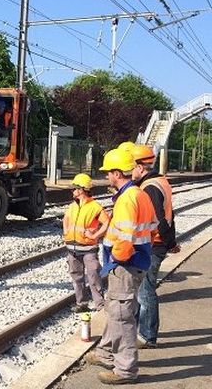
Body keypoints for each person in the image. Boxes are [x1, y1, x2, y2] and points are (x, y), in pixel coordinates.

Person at [84, 148, 157, 385]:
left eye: (108, 173)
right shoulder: (139, 194)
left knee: (122, 316)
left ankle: (125, 370)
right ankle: (106, 353)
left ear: (117, 173)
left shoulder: (127, 199)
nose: (106, 177)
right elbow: (153, 226)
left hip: (125, 265)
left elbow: (124, 242)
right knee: (115, 310)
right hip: (138, 261)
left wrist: (113, 261)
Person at [131, 144, 180, 349]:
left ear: (140, 167)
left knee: (145, 290)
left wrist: (169, 243)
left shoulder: (149, 187)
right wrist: (172, 241)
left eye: (131, 167)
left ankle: (147, 336)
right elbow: (170, 213)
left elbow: (160, 219)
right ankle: (143, 331)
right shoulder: (160, 181)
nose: (129, 171)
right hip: (159, 242)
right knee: (145, 288)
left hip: (154, 243)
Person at [63, 173, 110, 313]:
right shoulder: (72, 206)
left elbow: (106, 223)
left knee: (94, 276)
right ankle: (81, 303)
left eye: (74, 188)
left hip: (89, 248)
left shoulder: (95, 207)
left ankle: (100, 305)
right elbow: (66, 219)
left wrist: (95, 235)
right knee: (76, 277)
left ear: (82, 189)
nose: (72, 191)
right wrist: (65, 232)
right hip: (72, 248)